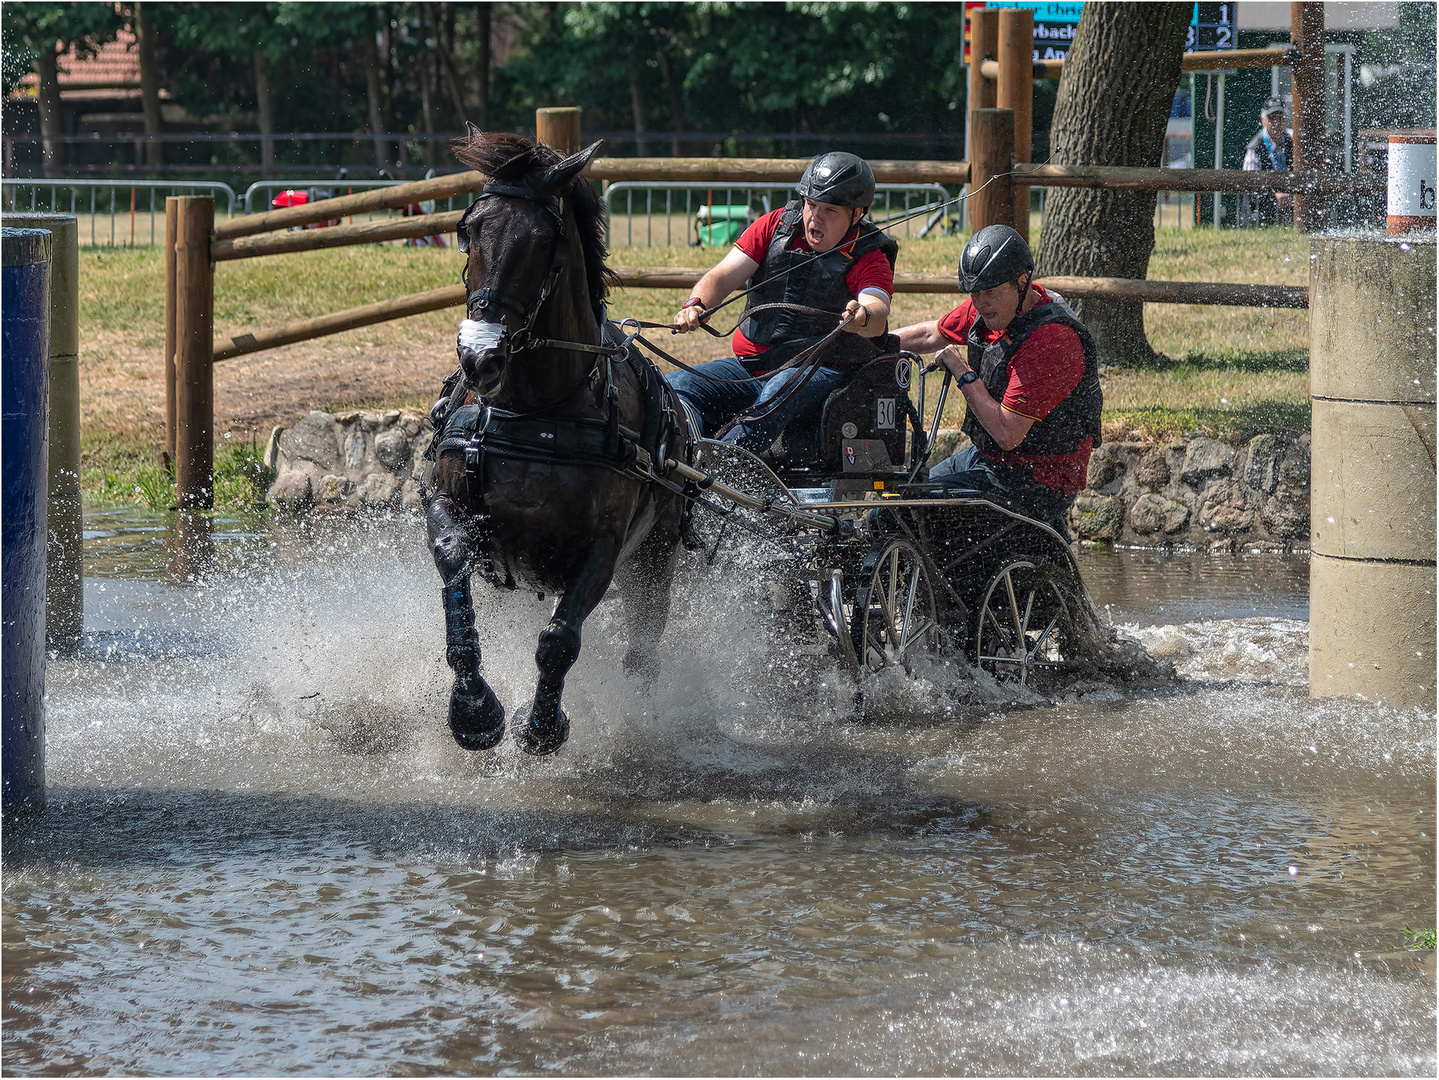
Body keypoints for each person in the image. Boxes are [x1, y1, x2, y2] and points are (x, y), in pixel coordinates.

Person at [667, 152, 896, 452]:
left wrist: (861, 316)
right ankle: (687, 456)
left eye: (830, 210)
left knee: (777, 393)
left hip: (820, 371)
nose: (816, 217)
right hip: (752, 368)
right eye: (811, 205)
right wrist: (696, 304)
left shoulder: (869, 256)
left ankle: (717, 469)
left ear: (857, 214)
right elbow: (722, 276)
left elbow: (877, 310)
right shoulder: (774, 226)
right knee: (673, 388)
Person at [894, 225, 1101, 539]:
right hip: (992, 460)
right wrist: (871, 344)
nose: (980, 302)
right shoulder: (990, 307)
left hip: (1039, 478)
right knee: (896, 505)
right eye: (974, 293)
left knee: (921, 510)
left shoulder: (1051, 340)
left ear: (1021, 283)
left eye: (990, 292)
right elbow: (930, 334)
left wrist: (962, 372)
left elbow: (1007, 433)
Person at [1242, 97, 1295, 226]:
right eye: (1272, 118)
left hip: (1290, 208)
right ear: (1263, 120)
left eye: (1280, 117)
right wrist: (1275, 192)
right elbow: (1250, 184)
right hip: (1261, 216)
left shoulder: (1293, 140)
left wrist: (1290, 192)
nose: (1277, 122)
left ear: (1286, 119)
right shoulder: (1254, 148)